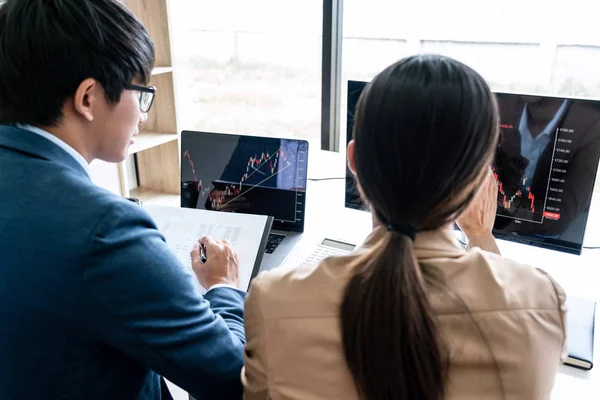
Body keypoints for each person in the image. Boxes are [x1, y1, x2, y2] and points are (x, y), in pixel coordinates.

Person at [242, 55, 567, 399]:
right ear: (480, 181)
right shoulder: (541, 302)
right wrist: (480, 236)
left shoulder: (274, 300)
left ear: (354, 162)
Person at [0, 1, 245, 399]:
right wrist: (223, 287)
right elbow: (233, 377)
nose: (144, 116)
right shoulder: (104, 230)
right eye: (142, 93)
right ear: (88, 98)